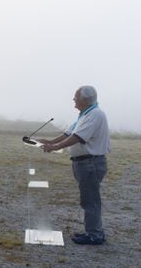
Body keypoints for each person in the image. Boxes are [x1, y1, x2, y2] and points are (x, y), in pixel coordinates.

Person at [40, 85, 110, 245]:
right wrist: (50, 142)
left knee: (90, 199)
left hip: (90, 163)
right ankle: (92, 231)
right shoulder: (85, 115)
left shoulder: (95, 115)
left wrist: (55, 147)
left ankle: (95, 234)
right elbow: (69, 133)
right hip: (83, 163)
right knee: (88, 198)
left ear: (85, 99)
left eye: (76, 97)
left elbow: (77, 137)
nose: (74, 99)